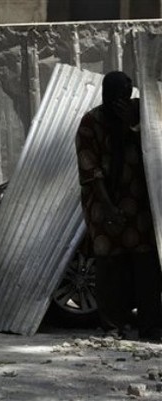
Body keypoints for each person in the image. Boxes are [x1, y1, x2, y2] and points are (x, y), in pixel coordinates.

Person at [75, 71, 162, 342]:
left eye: (126, 95)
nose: (122, 101)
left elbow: (153, 146)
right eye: (117, 97)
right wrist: (109, 207)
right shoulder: (92, 122)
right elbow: (91, 170)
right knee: (109, 265)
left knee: (146, 264)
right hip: (104, 203)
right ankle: (113, 325)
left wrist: (131, 126)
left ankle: (150, 325)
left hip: (138, 203)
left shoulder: (138, 115)